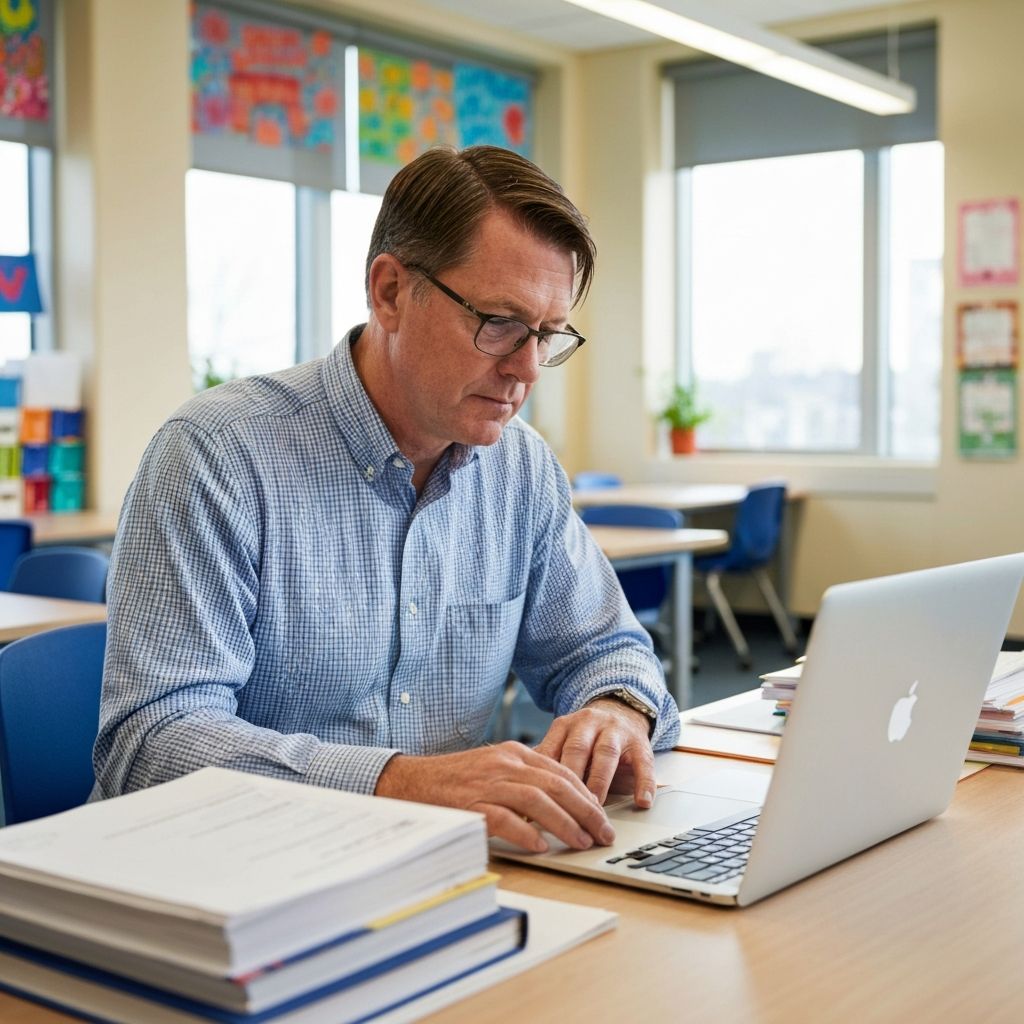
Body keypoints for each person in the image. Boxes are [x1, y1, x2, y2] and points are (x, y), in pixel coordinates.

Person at [93, 145, 681, 854]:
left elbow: (604, 647)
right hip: (223, 873)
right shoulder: (218, 456)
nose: (527, 369)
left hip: (435, 871)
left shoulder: (519, 468)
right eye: (498, 322)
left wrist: (616, 709)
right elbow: (153, 744)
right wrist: (399, 783)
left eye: (547, 335)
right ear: (391, 292)